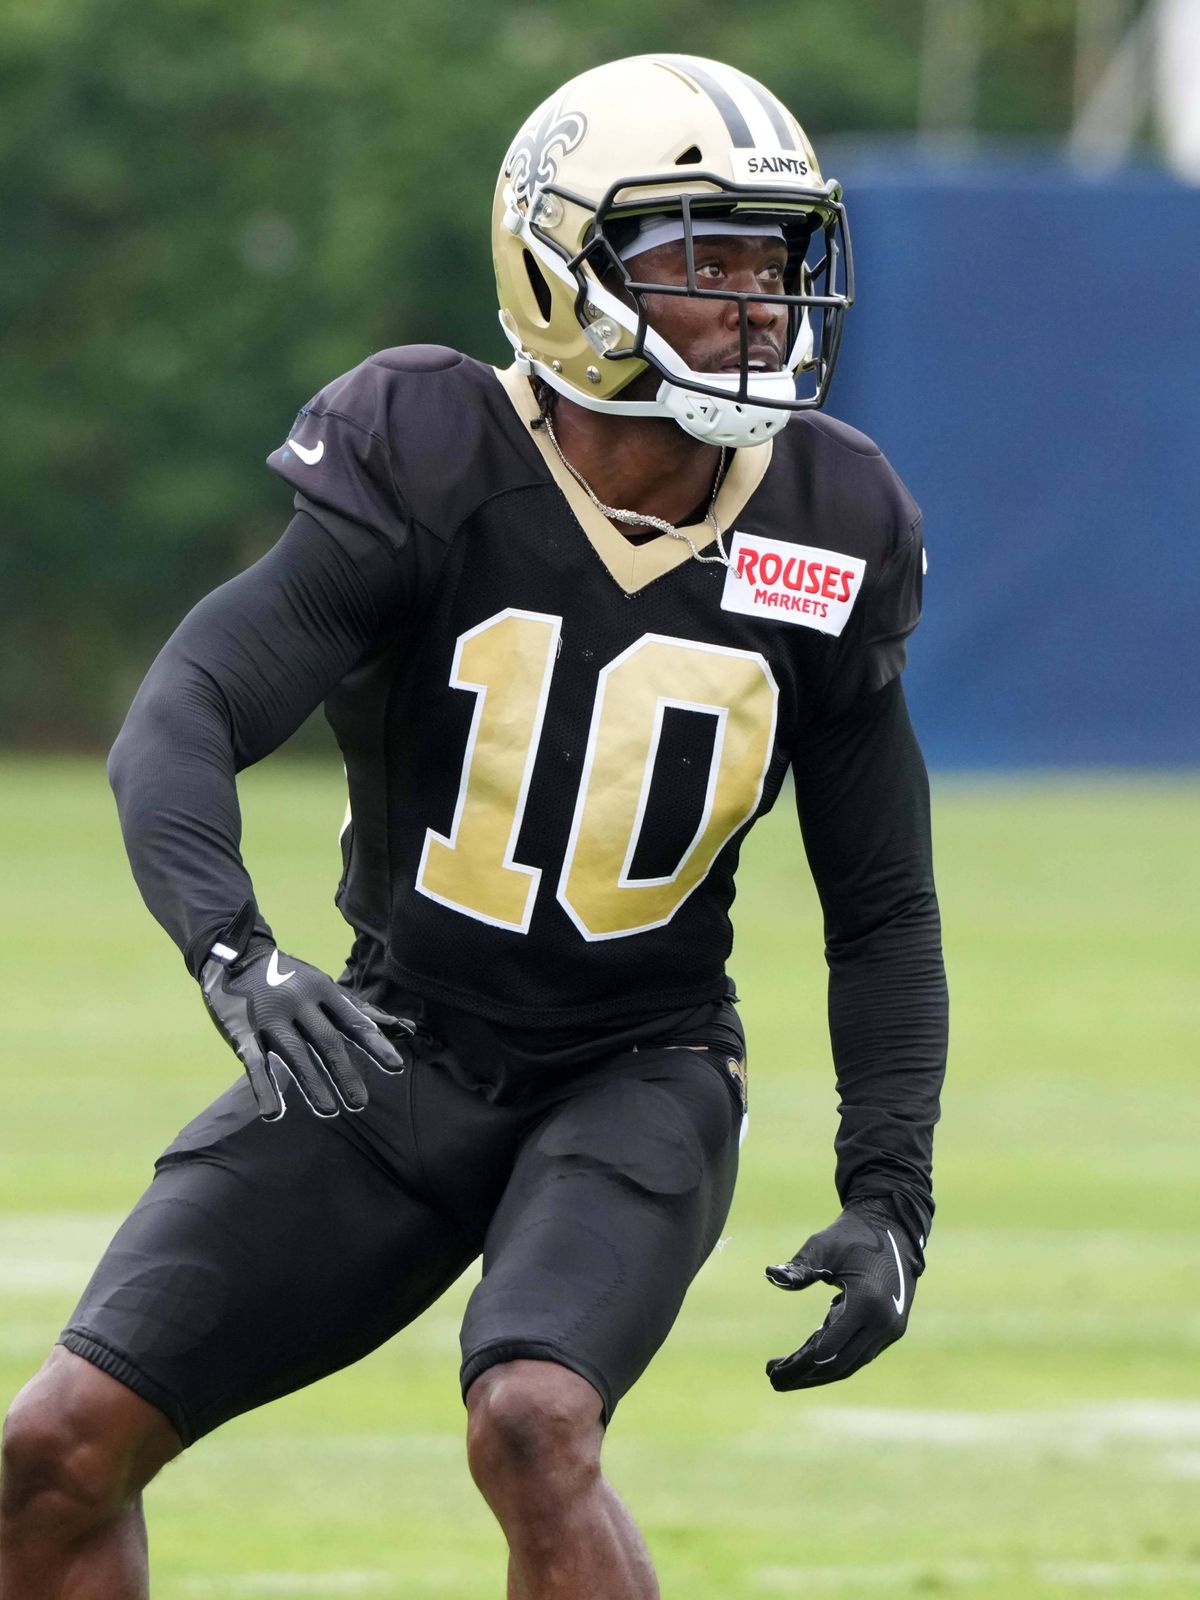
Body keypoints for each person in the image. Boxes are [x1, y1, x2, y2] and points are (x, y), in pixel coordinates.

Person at [0, 54, 947, 1600]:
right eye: (706, 261)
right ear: (563, 268)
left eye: (773, 262)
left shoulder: (830, 521)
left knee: (532, 1420)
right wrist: (233, 951)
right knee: (52, 1453)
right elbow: (190, 708)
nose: (757, 305)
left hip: (641, 1064)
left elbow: (885, 903)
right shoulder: (431, 448)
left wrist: (888, 1193)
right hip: (393, 1049)